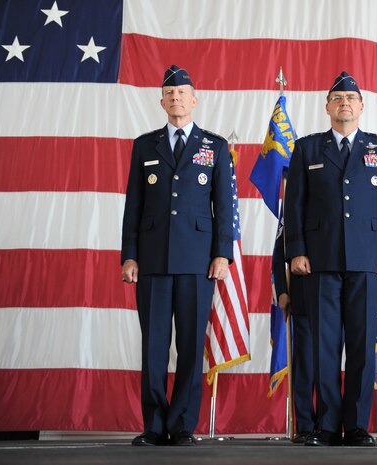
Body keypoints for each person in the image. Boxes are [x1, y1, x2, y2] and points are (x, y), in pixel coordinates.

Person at [284, 71, 377, 447]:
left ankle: (356, 425)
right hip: (319, 259)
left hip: (367, 260)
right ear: (327, 106)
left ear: (362, 107)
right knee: (324, 346)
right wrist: (297, 251)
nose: (344, 103)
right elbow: (295, 206)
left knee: (362, 346)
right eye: (337, 98)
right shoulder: (307, 149)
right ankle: (326, 425)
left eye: (351, 98)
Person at [121, 65, 234, 447]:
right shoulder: (144, 145)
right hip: (151, 260)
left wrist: (222, 254)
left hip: (198, 261)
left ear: (194, 99)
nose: (175, 99)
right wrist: (129, 256)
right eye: (169, 94)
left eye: (182, 93)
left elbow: (225, 206)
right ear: (161, 101)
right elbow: (133, 207)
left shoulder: (214, 146)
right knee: (153, 346)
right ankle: (154, 425)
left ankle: (183, 423)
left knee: (189, 345)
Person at [271, 218, 316, 443]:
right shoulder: (294, 202)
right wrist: (282, 290)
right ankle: (306, 425)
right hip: (303, 295)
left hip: (340, 296)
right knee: (305, 365)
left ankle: (332, 424)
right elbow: (279, 252)